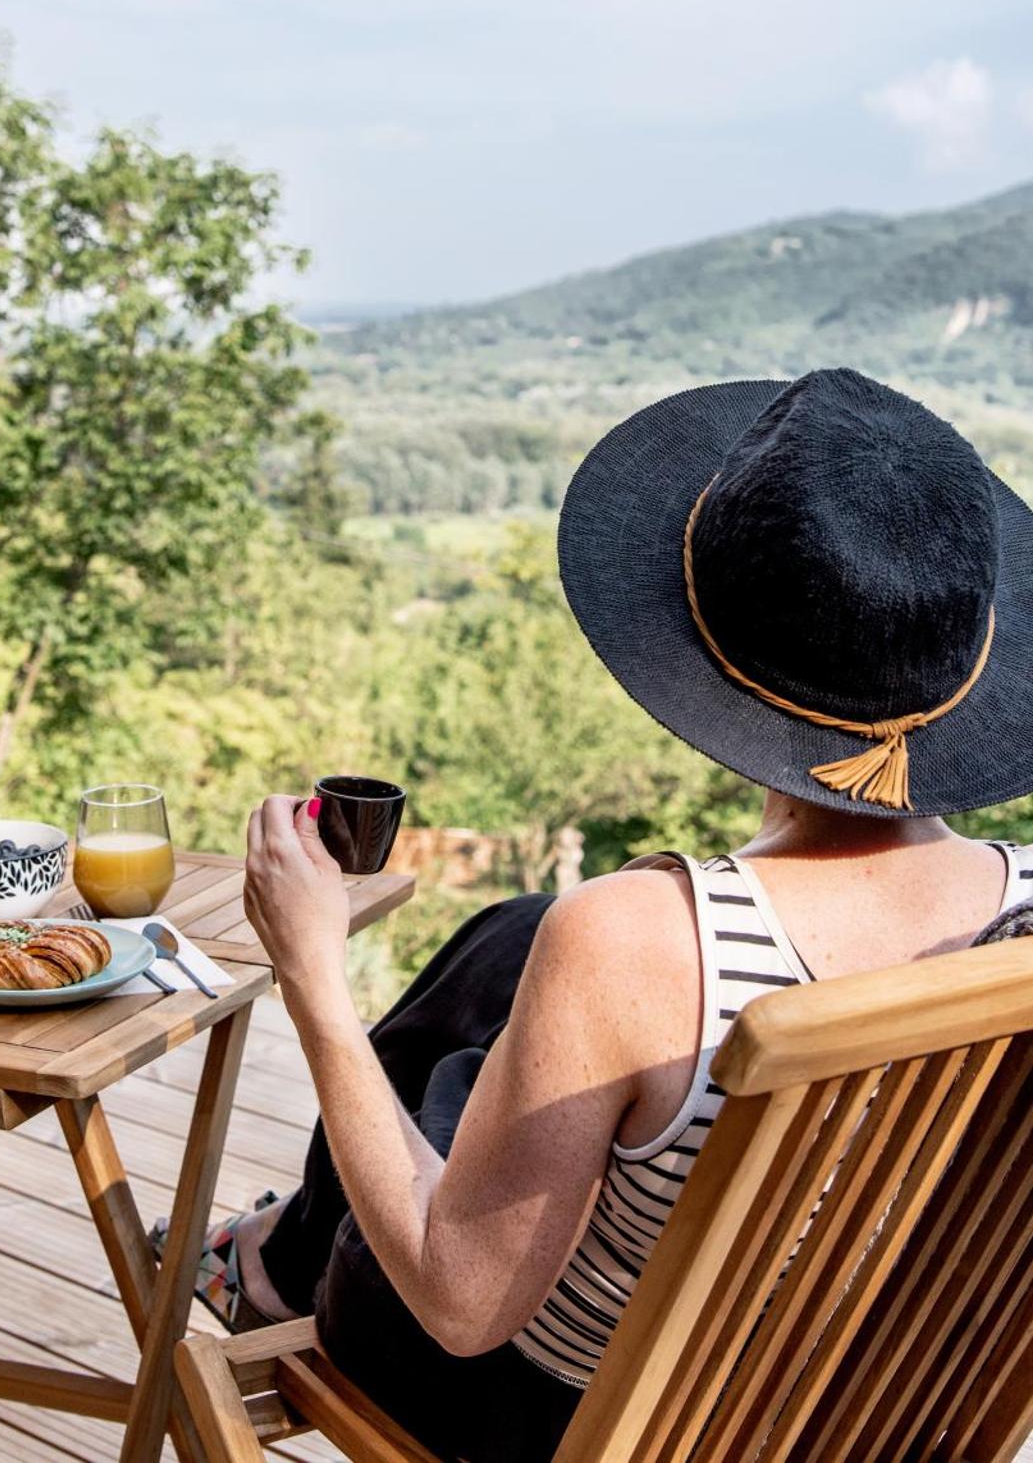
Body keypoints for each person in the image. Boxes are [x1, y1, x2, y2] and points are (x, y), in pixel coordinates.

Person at [198, 369, 1033, 1463]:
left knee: (458, 1073)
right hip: (869, 1418)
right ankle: (284, 1242)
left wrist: (311, 973)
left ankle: (276, 1259)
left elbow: (462, 1306)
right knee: (513, 936)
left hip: (591, 1418)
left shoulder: (635, 941)